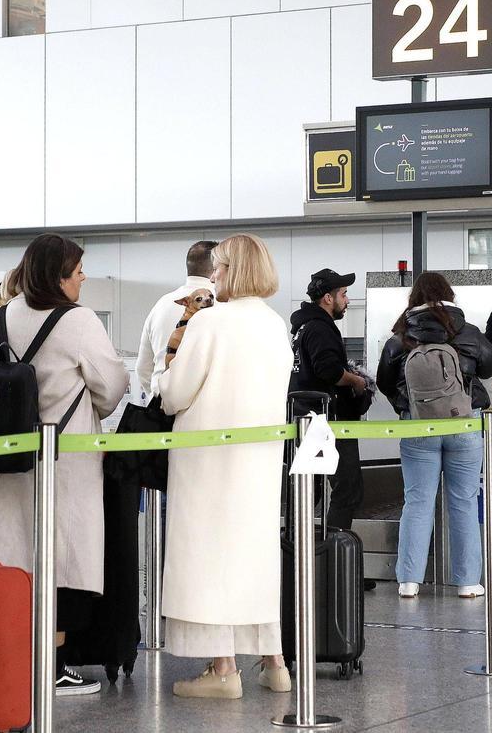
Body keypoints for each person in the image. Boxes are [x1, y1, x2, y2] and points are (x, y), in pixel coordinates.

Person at [0, 233, 129, 697]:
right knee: (63, 562)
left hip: (5, 460)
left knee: (14, 556)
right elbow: (111, 385)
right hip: (65, 461)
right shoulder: (79, 321)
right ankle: (54, 664)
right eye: (77, 269)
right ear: (58, 276)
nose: (83, 275)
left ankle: (14, 657)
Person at [156, 233, 292, 699]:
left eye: (219, 267)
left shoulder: (210, 323)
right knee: (252, 557)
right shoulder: (276, 324)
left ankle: (223, 669)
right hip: (259, 462)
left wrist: (163, 370)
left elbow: (175, 394)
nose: (213, 275)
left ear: (232, 270)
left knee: (209, 558)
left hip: (207, 462)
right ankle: (275, 663)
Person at [377, 272, 492, 600]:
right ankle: (468, 582)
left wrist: (407, 405)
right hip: (463, 424)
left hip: (417, 425)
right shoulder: (467, 332)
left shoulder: (400, 336)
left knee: (417, 502)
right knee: (463, 502)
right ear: (449, 295)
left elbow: (384, 381)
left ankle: (408, 581)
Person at [288, 269, 368, 532]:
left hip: (305, 419)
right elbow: (330, 371)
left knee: (309, 492)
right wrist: (356, 381)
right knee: (347, 489)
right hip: (328, 422)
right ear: (327, 299)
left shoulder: (302, 328)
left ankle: (303, 550)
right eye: (344, 294)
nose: (348, 300)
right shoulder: (321, 328)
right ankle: (335, 553)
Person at [137, 240, 218, 400]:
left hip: (160, 406)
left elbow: (143, 368)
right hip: (205, 406)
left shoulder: (161, 304)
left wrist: (158, 394)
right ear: (216, 267)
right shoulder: (221, 303)